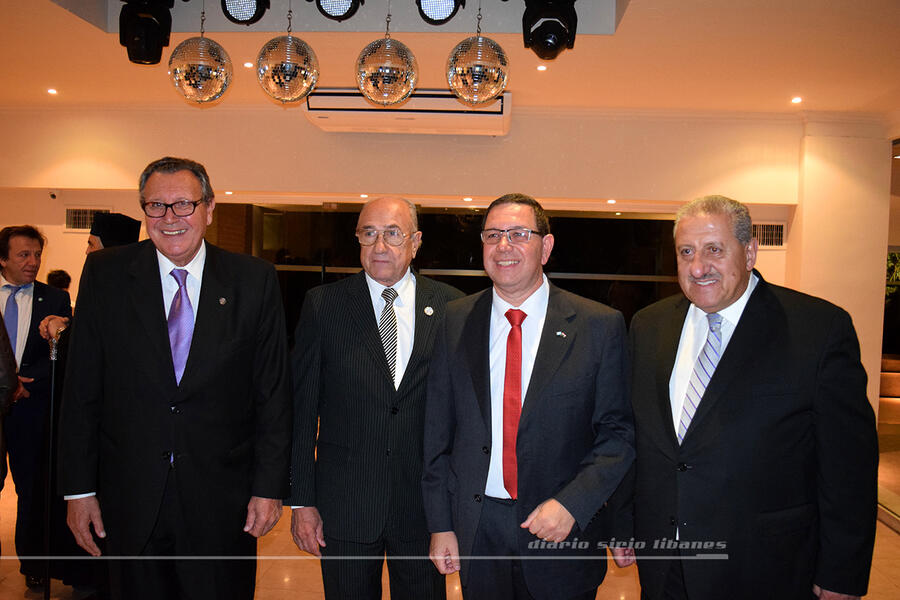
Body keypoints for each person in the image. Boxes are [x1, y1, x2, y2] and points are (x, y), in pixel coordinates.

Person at [611, 195, 878, 600]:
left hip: (766, 564)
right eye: (686, 252)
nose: (698, 267)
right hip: (665, 560)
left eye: (714, 250)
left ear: (750, 251)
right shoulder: (649, 327)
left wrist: (842, 571)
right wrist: (623, 521)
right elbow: (637, 436)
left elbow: (849, 468)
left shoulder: (819, 330)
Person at [57, 156, 292, 600]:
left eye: (183, 204)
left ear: (209, 207)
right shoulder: (106, 274)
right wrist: (79, 490)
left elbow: (273, 394)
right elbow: (82, 390)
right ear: (143, 210)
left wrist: (269, 487)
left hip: (223, 500)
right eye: (156, 206)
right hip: (128, 496)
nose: (170, 218)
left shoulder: (252, 280)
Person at [422, 194, 634, 600]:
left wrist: (573, 504)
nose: (504, 246)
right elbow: (437, 432)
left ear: (546, 247)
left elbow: (617, 435)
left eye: (519, 234)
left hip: (560, 531)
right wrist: (440, 524)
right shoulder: (455, 320)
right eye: (493, 235)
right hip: (477, 528)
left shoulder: (598, 327)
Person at [289, 196, 463, 600]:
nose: (379, 246)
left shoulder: (453, 306)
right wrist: (301, 502)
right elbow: (301, 410)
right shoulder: (324, 305)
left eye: (392, 234)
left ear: (415, 242)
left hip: (423, 508)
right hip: (345, 503)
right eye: (368, 234)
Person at [0, 225, 72, 588]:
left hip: (32, 408)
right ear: (3, 259)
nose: (33, 262)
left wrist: (28, 382)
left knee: (31, 490)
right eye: (23, 255)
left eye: (37, 255)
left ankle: (34, 567)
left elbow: (61, 354)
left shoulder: (54, 299)